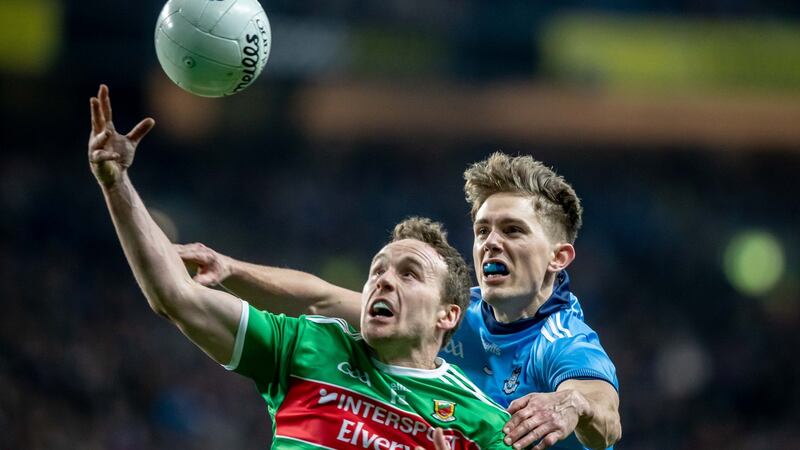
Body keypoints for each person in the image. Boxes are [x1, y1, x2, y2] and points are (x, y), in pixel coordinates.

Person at [88, 84, 514, 450]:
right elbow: (176, 296)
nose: (383, 280)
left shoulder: (484, 423)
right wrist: (115, 183)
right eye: (378, 270)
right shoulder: (309, 346)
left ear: (448, 314)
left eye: (409, 274)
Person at [178, 154, 622, 450]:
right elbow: (322, 299)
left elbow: (605, 419)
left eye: (512, 230)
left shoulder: (562, 339)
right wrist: (231, 269)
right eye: (483, 229)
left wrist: (568, 405)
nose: (490, 243)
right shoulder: (451, 312)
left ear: (558, 258)